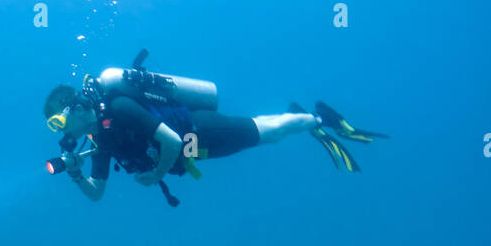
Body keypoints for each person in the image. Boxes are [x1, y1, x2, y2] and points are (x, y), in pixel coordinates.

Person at [43, 52, 387, 204]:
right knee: (263, 135)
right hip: (190, 155)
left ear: (74, 108)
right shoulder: (99, 137)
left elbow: (172, 140)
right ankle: (303, 118)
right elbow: (97, 194)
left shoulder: (118, 107)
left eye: (59, 121)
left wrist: (155, 174)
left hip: (197, 132)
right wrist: (75, 174)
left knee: (266, 134)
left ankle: (317, 118)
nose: (61, 131)